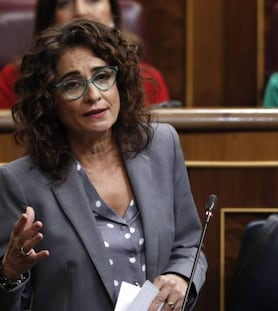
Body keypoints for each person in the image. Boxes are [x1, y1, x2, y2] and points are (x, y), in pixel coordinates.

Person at [0, 19, 206, 311]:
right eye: (72, 84)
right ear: (50, 100)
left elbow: (188, 243)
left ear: (118, 81)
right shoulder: (20, 182)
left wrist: (181, 276)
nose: (93, 95)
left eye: (102, 76)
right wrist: (9, 273)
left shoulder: (161, 145)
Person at [0, 0, 170, 109]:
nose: (80, 11)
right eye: (64, 3)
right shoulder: (15, 79)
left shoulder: (147, 79)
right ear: (49, 19)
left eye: (93, 0)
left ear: (112, 11)